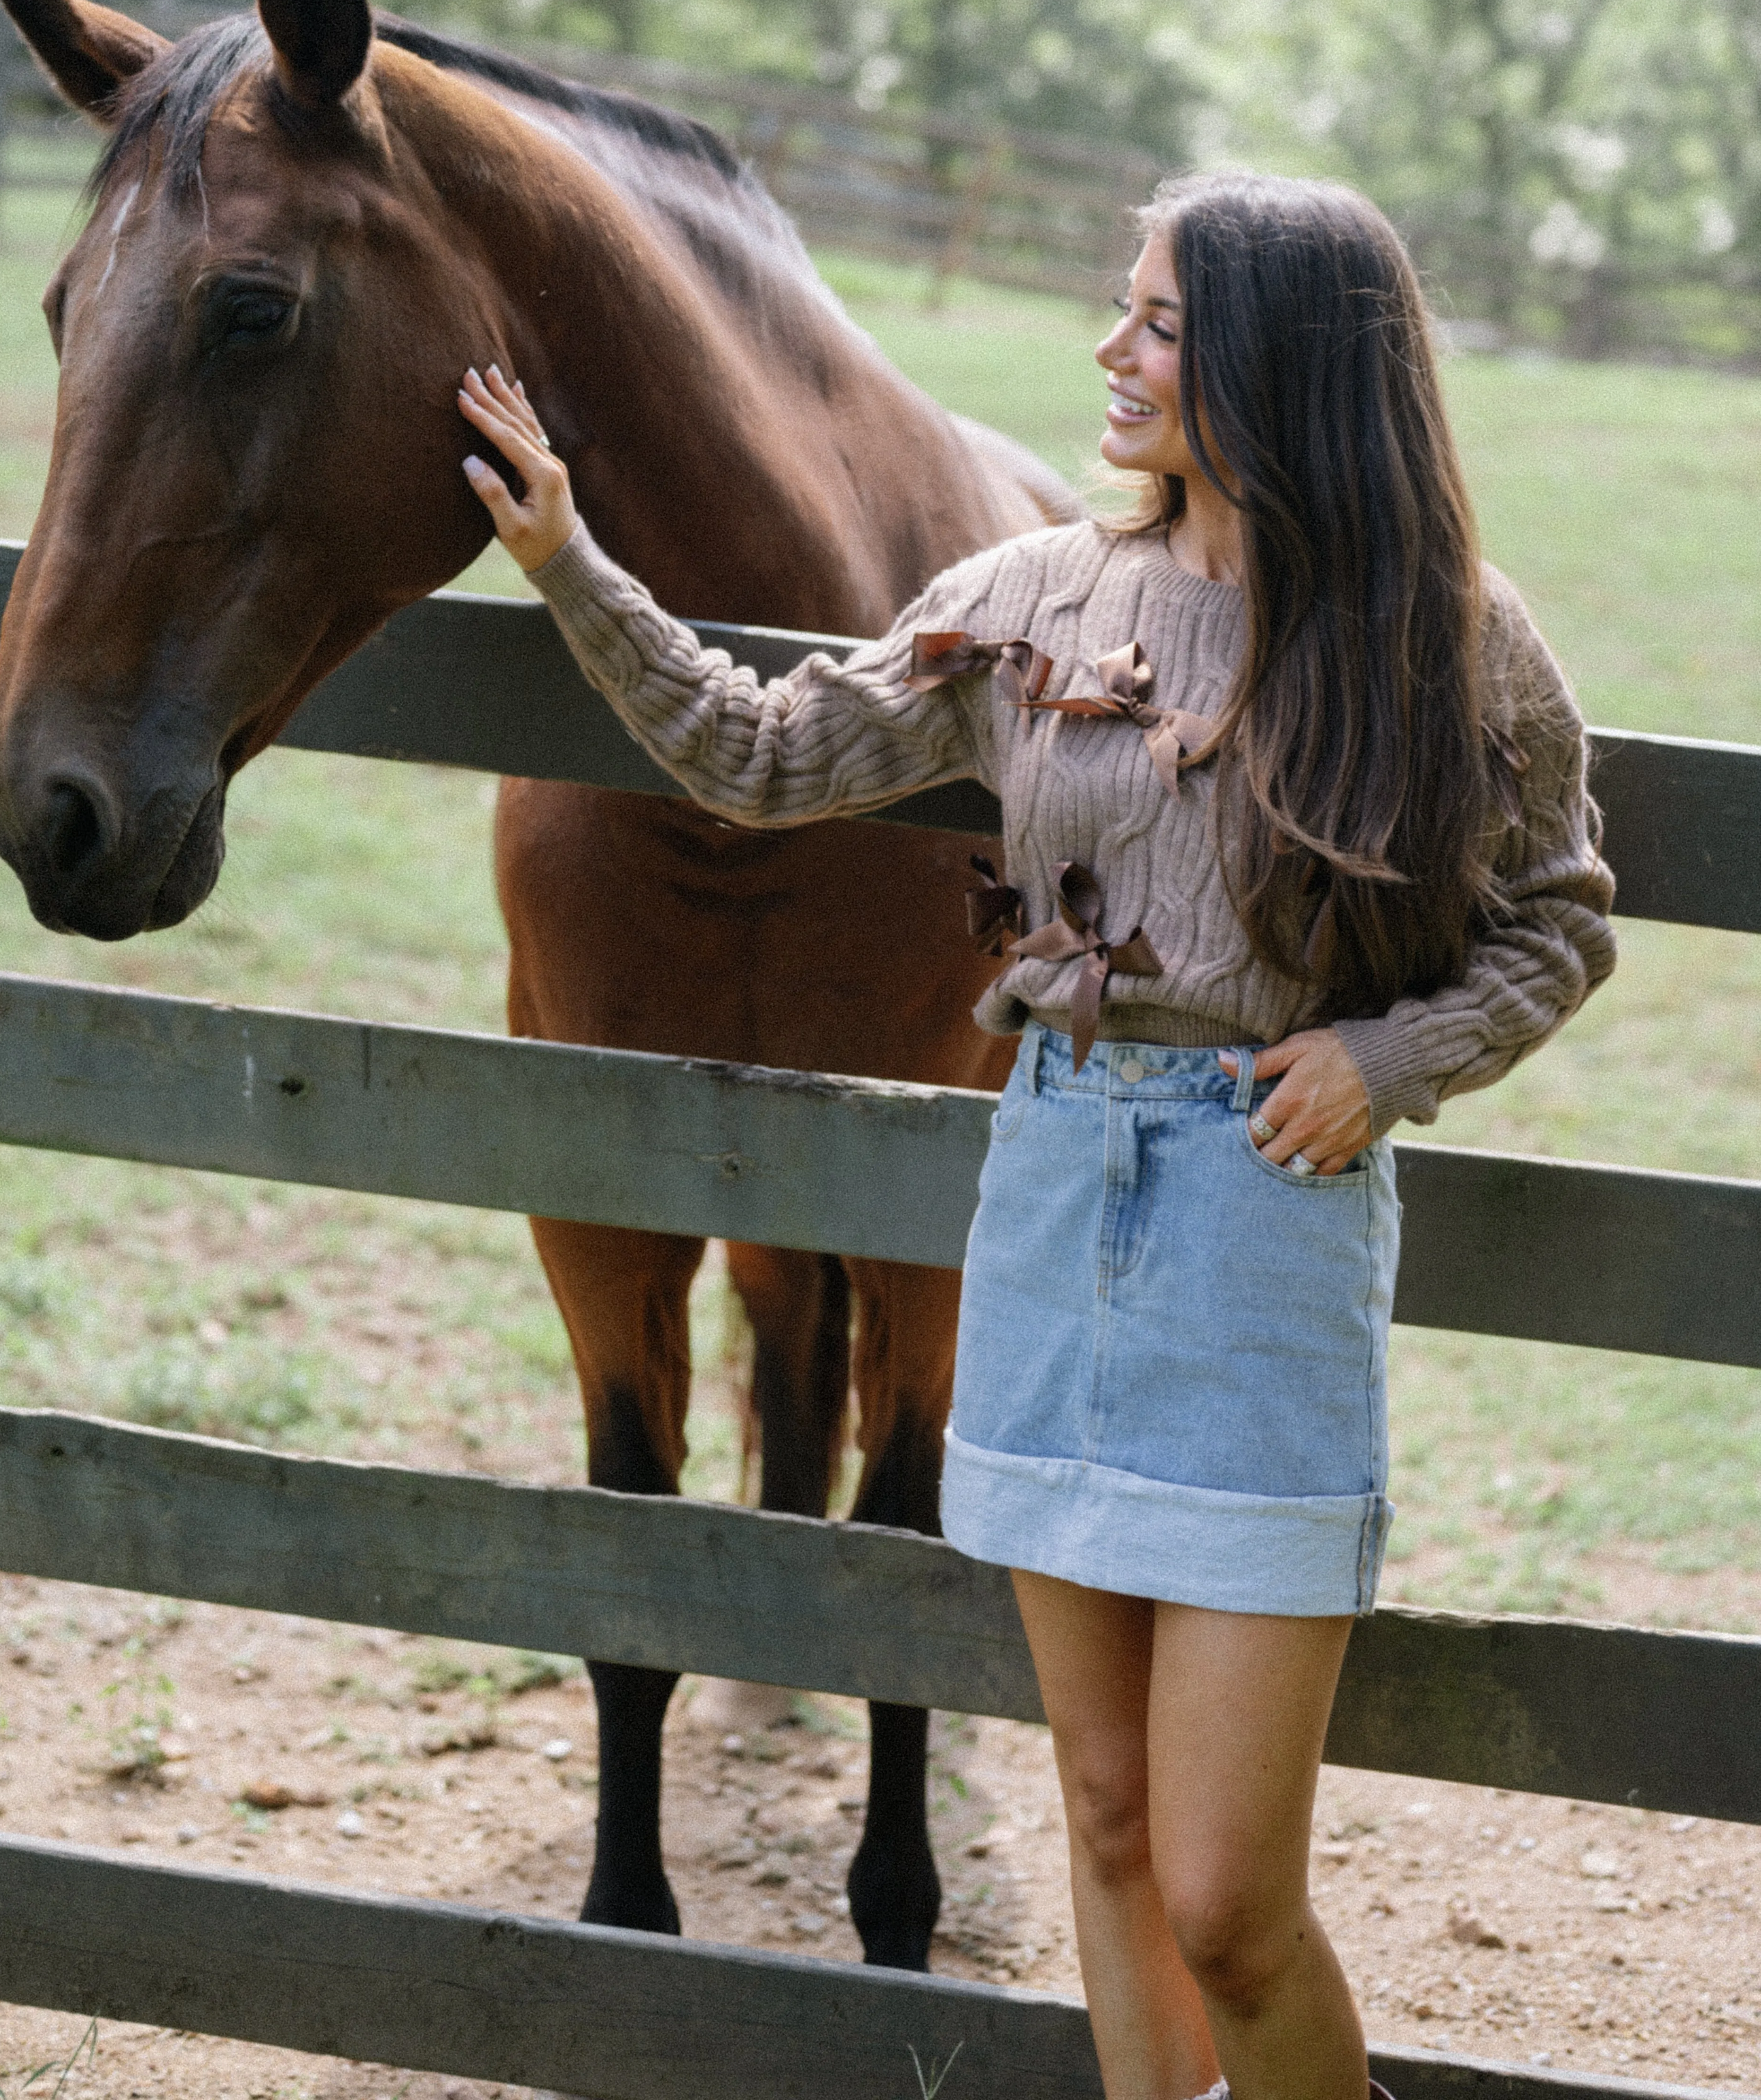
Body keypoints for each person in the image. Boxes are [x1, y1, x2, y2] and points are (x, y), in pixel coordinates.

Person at [457, 171, 1615, 2100]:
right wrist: (576, 564)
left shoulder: (1447, 637)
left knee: (1232, 1896)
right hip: (1054, 1203)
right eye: (1125, 307)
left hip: (1266, 1228)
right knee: (1098, 1817)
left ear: (1279, 363)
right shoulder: (1028, 598)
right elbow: (757, 752)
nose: (1111, 348)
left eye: (1158, 321)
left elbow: (1561, 917)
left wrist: (1394, 1058)